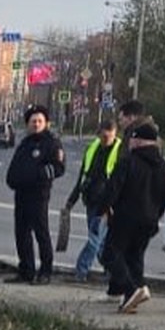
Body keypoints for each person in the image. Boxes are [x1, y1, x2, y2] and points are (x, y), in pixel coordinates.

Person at [96, 121, 165, 312]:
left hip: (125, 217)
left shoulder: (128, 161)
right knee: (134, 257)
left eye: (131, 139)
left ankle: (131, 290)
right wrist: (156, 216)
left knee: (110, 254)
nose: (129, 142)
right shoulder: (164, 166)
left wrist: (102, 208)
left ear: (138, 141)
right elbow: (164, 197)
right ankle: (131, 293)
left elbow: (113, 189)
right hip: (149, 219)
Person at [5, 105, 65, 283]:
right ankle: (26, 270)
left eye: (40, 121)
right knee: (21, 234)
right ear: (28, 124)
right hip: (21, 194)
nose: (36, 124)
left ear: (46, 123)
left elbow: (58, 167)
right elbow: (15, 167)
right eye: (33, 121)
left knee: (41, 233)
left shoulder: (52, 143)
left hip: (39, 194)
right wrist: (13, 180)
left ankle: (45, 272)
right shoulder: (25, 143)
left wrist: (37, 175)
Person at [62, 119, 120, 283]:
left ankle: (81, 271)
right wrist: (71, 201)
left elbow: (119, 182)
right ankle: (112, 271)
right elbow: (83, 176)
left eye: (109, 137)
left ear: (115, 134)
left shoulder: (119, 152)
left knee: (95, 239)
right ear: (99, 134)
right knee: (100, 242)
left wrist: (112, 204)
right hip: (90, 201)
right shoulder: (92, 149)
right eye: (103, 136)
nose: (106, 140)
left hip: (106, 204)